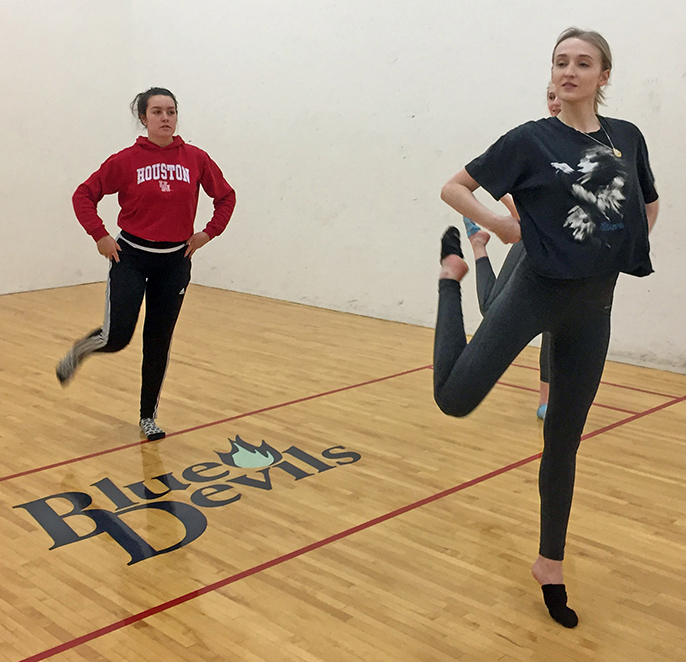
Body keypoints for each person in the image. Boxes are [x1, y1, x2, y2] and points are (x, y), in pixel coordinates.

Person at [434, 28, 658, 627]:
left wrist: (618, 243)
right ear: (552, 74)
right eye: (561, 61)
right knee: (454, 400)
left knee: (563, 442)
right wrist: (498, 227)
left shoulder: (628, 138)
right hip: (535, 290)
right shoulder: (531, 140)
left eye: (583, 63)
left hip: (594, 308)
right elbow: (454, 186)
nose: (570, 70)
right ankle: (449, 281)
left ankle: (549, 562)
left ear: (603, 76)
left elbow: (649, 203)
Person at [56, 87, 236, 441]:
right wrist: (100, 235)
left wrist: (208, 234)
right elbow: (83, 195)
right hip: (131, 258)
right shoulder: (125, 160)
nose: (165, 118)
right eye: (157, 112)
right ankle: (80, 350)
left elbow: (226, 197)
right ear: (143, 118)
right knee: (117, 336)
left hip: (175, 264)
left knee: (159, 341)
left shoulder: (196, 158)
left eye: (171, 111)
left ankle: (147, 416)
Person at [462, 83, 562, 420]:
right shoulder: (532, 141)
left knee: (559, 323)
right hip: (533, 243)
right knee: (491, 308)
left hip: (565, 254)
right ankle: (479, 245)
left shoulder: (596, 145)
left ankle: (546, 398)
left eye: (560, 95)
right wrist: (507, 214)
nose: (556, 102)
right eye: (550, 96)